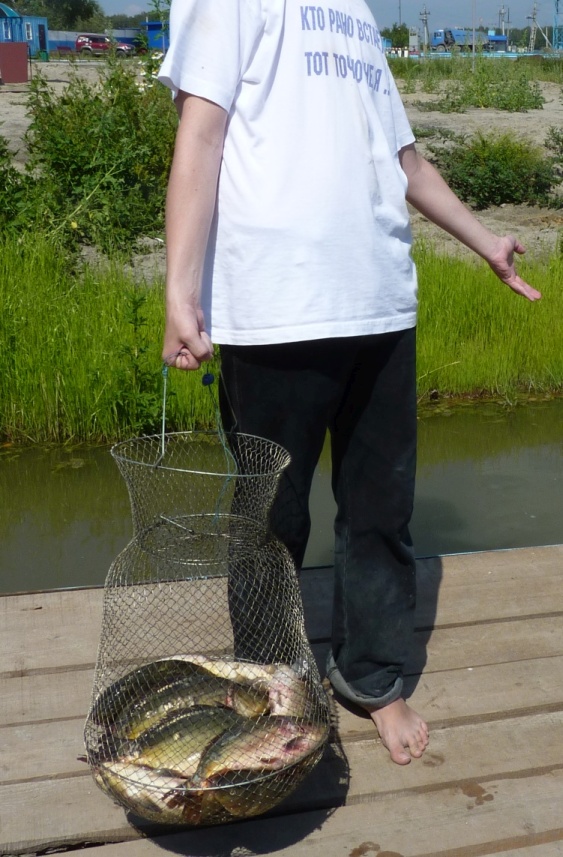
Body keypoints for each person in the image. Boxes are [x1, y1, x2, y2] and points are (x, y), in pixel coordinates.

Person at [157, 0, 541, 766]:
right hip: (275, 310)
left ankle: (371, 677)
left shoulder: (357, 13)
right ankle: (271, 687)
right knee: (271, 523)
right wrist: (179, 287)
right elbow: (201, 132)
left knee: (380, 513)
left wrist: (484, 242)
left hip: (380, 302)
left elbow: (403, 160)